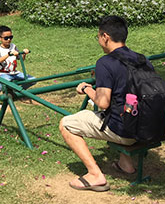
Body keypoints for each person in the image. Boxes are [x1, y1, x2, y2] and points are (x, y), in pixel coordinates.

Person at [59, 15, 150, 192]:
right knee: (124, 110)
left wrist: (86, 88)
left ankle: (94, 175)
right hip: (148, 126)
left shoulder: (105, 62)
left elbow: (102, 103)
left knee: (66, 124)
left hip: (126, 130)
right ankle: (126, 165)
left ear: (105, 37)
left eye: (98, 37)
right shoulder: (141, 59)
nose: (99, 41)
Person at [0, 25, 36, 109]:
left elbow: (21, 59)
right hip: (3, 73)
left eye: (10, 37)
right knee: (5, 81)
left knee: (33, 80)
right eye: (6, 38)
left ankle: (17, 92)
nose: (9, 39)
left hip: (14, 72)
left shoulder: (13, 46)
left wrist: (23, 54)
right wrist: (9, 54)